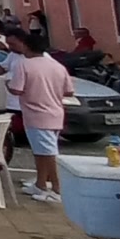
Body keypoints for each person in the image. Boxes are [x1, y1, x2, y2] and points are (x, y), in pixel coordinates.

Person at [10, 32, 73, 202]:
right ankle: (41, 183)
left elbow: (16, 89)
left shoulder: (24, 65)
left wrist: (7, 84)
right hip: (55, 113)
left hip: (37, 114)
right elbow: (69, 90)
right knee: (40, 152)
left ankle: (57, 188)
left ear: (26, 46)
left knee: (48, 153)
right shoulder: (57, 66)